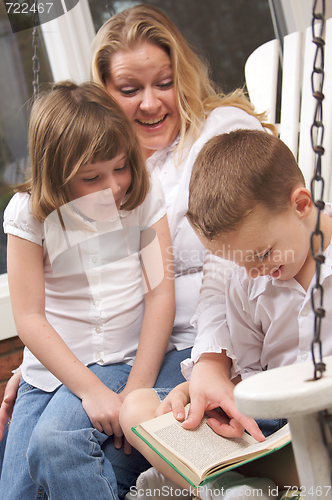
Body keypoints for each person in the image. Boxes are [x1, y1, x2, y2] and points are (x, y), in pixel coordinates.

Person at [0, 4, 275, 497]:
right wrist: (39, 367)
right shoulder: (99, 175)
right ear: (103, 96)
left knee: (58, 446)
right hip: (112, 358)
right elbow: (60, 301)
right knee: (27, 474)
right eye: (129, 91)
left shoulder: (213, 143)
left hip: (193, 349)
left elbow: (194, 281)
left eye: (163, 83)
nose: (149, 104)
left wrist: (148, 387)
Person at [120, 129, 332, 499]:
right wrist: (208, 396)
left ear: (301, 205)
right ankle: (227, 487)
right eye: (239, 262)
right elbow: (248, 372)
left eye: (262, 254)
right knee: (137, 408)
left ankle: (210, 486)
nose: (254, 272)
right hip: (269, 428)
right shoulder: (249, 277)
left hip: (321, 420)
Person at [0, 80, 177, 500]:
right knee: (16, 493)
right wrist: (92, 392)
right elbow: (28, 316)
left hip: (123, 356)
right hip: (51, 374)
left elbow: (160, 294)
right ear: (57, 178)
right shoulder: (28, 214)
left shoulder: (142, 198)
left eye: (120, 167)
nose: (113, 186)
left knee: (56, 444)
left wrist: (136, 389)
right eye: (91, 178)